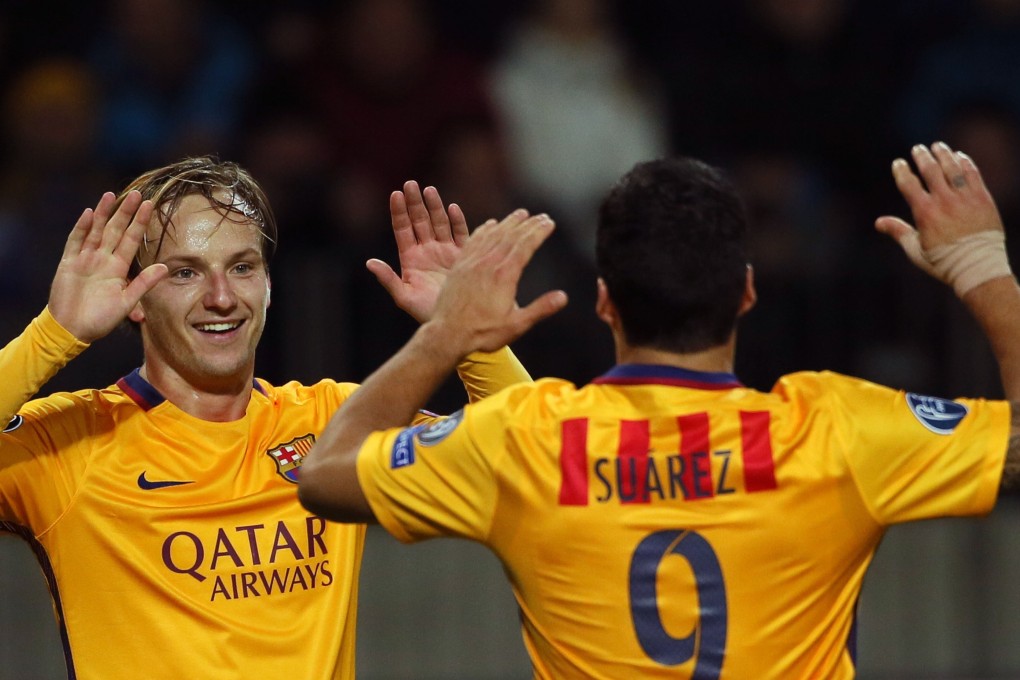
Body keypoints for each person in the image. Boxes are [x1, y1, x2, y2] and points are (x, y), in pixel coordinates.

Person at [297, 143, 1020, 678]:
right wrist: (985, 269)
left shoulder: (526, 439)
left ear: (605, 299)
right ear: (745, 291)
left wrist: (448, 337)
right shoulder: (838, 430)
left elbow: (325, 473)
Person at [0, 156, 530, 679]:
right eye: (186, 272)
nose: (222, 298)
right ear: (135, 298)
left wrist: (468, 336)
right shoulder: (69, 445)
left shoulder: (335, 424)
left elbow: (532, 459)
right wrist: (52, 335)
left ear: (268, 285)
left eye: (242, 267)